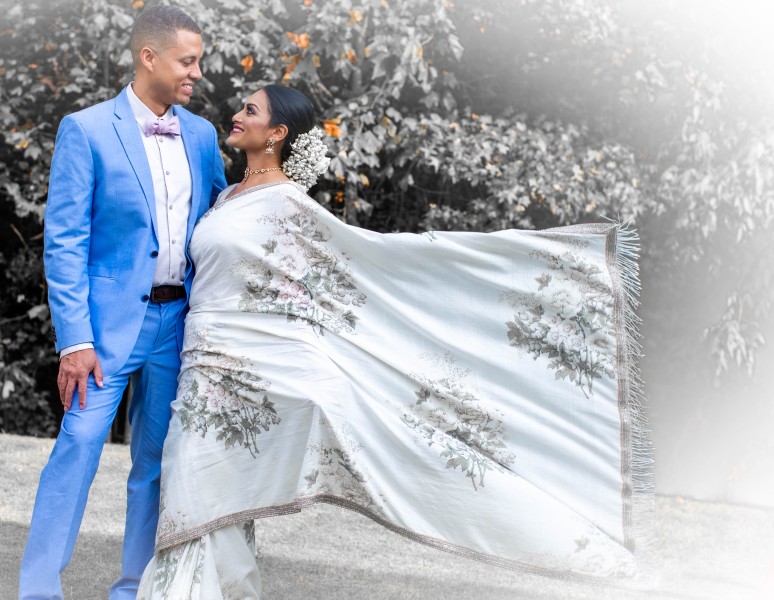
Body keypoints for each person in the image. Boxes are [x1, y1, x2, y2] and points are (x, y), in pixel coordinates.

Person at [136, 85, 654, 597]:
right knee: (210, 503)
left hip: (246, 376)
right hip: (203, 368)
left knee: (199, 497)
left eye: (250, 110)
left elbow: (341, 276)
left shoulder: (288, 205)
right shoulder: (227, 196)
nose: (237, 114)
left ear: (277, 133)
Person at [20, 6, 228, 600]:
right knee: (79, 445)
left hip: (178, 325)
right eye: (187, 61)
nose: (196, 73)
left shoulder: (202, 135)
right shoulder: (85, 130)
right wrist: (75, 341)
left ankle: (135, 589)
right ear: (149, 57)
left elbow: (222, 221)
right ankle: (38, 590)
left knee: (157, 463)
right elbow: (65, 243)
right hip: (104, 333)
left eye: (198, 62)